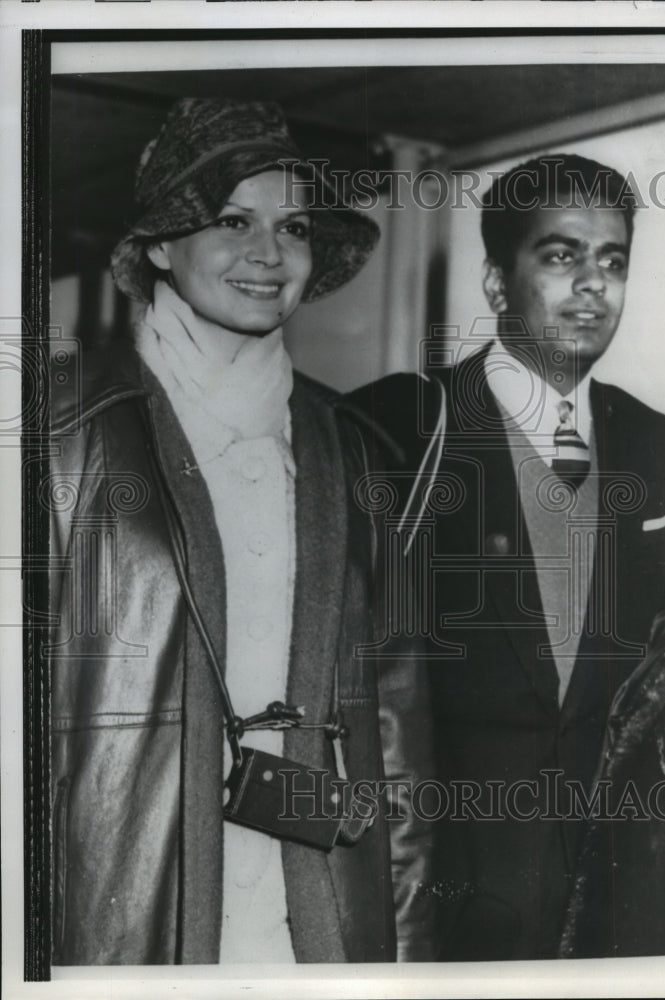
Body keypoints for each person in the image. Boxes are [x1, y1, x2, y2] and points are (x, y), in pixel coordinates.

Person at [47, 98, 433, 965]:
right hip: (124, 919)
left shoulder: (362, 455)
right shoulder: (57, 433)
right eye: (232, 221)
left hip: (316, 920)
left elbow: (403, 739)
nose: (269, 253)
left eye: (291, 226)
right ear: (158, 243)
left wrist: (406, 952)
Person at [360, 153, 665, 960]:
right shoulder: (396, 432)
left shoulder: (659, 447)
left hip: (616, 911)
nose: (593, 285)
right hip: (444, 908)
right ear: (497, 282)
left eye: (612, 262)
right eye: (561, 255)